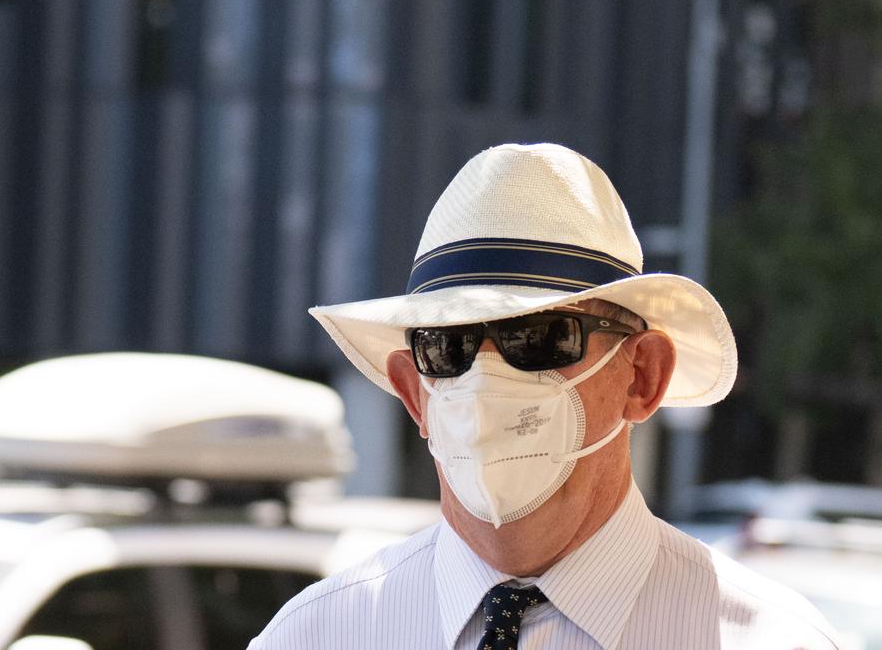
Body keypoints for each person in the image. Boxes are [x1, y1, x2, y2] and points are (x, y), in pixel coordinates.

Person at [250, 143, 838, 649]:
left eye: (536, 338)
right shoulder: (315, 636)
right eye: (446, 347)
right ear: (413, 393)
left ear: (642, 378)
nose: (482, 381)